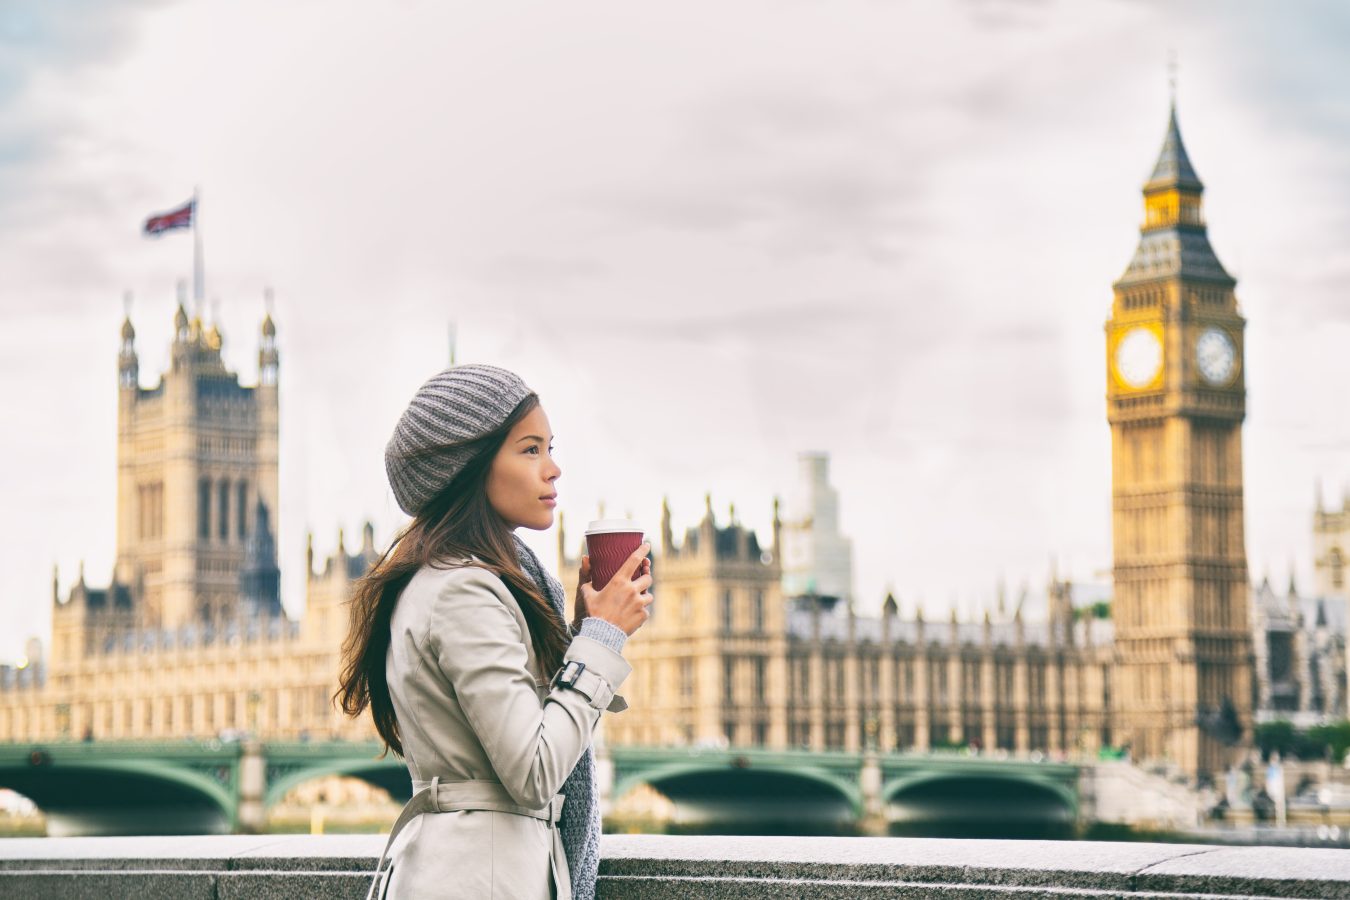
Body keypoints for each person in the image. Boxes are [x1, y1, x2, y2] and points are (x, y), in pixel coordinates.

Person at [337, 364, 652, 900]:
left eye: (551, 448)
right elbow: (533, 771)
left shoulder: (460, 579)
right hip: (476, 877)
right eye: (530, 450)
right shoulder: (463, 590)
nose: (553, 469)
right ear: (470, 467)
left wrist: (578, 635)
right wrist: (600, 640)